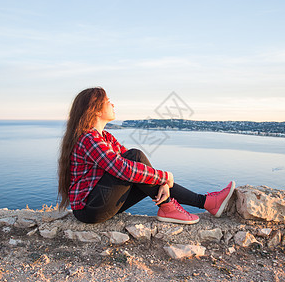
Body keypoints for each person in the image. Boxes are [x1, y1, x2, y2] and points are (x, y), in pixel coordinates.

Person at [58, 87, 235, 224]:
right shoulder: (88, 138)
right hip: (89, 210)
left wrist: (161, 181)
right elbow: (122, 167)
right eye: (108, 101)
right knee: (135, 156)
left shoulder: (106, 137)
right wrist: (164, 177)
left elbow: (134, 168)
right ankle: (185, 205)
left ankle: (205, 203)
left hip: (99, 205)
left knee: (137, 166)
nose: (113, 105)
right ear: (96, 109)